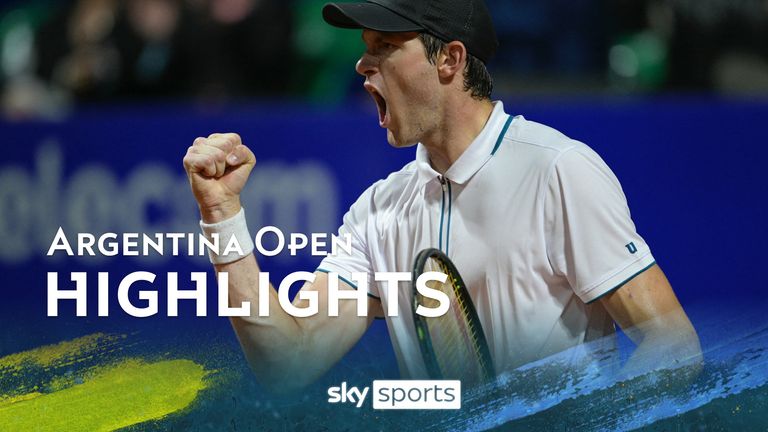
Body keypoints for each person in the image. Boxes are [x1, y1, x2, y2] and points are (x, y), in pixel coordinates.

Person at [182, 0, 702, 394]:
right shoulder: (377, 211)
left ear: (450, 59)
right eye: (365, 49)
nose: (363, 67)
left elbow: (674, 346)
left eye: (384, 47)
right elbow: (287, 361)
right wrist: (222, 215)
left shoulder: (557, 170)